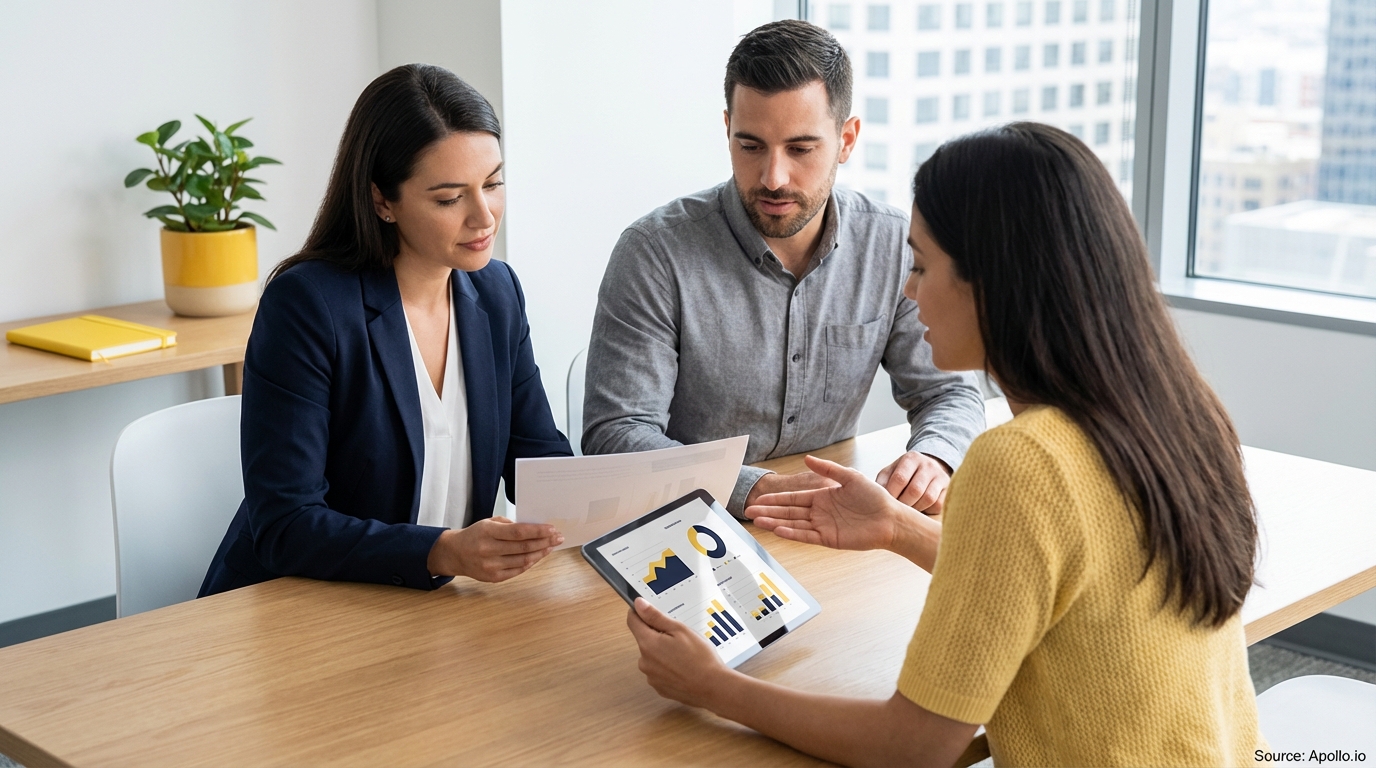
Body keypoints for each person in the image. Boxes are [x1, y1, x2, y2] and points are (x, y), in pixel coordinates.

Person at [624, 122, 1267, 767]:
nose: (907, 290)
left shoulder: (1021, 462)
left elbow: (913, 747)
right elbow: (1063, 590)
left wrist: (713, 687)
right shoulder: (1180, 409)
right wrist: (900, 529)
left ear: (993, 282)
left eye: (923, 266)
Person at [582, 20, 985, 517]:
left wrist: (933, 457)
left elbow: (948, 389)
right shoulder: (653, 253)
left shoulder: (894, 244)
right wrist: (753, 489)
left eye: (800, 149)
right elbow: (616, 436)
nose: (773, 177)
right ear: (727, 128)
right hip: (690, 521)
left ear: (848, 139)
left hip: (834, 525)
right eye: (750, 146)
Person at [200, 64, 570, 597]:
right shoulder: (308, 305)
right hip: (303, 607)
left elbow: (538, 460)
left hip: (428, 611)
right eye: (449, 198)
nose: (484, 216)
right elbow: (286, 523)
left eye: (492, 183)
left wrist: (626, 497)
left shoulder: (497, 292)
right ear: (382, 201)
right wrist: (440, 550)